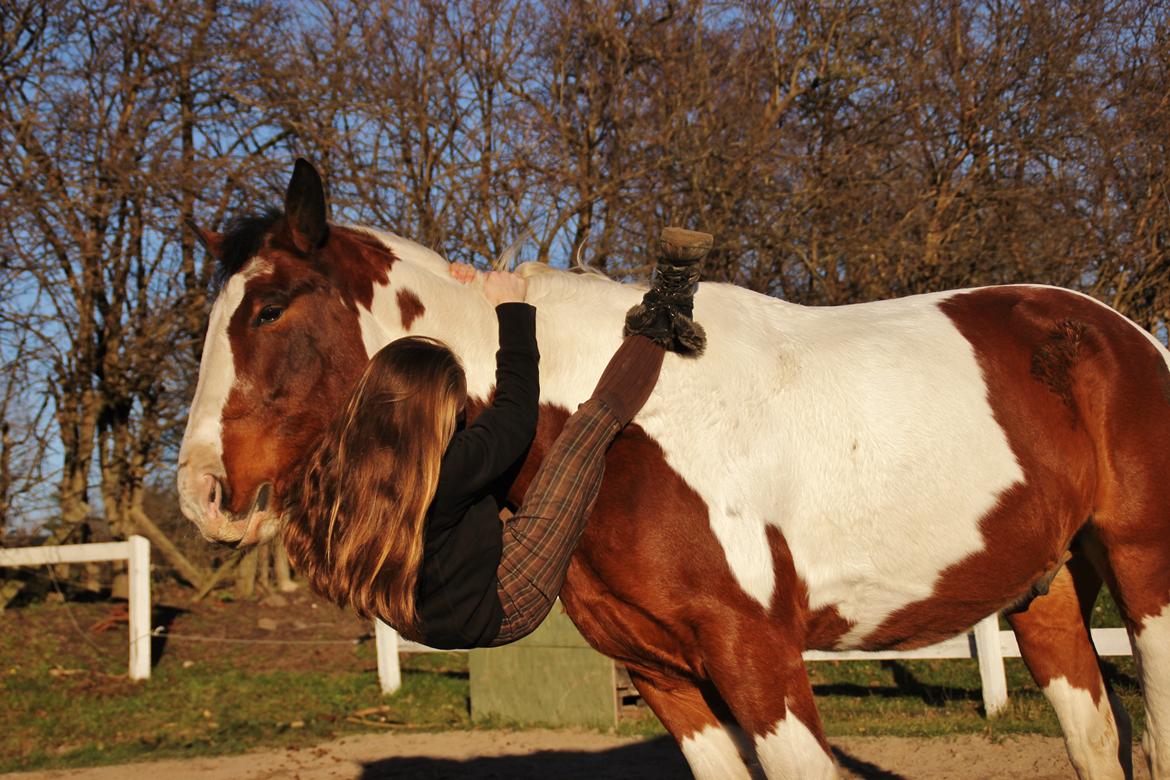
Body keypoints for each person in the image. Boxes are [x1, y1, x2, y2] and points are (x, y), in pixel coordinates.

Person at [282, 239, 706, 649]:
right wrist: (513, 309)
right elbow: (516, 415)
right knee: (585, 434)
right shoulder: (446, 469)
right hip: (499, 605)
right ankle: (668, 307)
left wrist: (463, 294)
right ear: (431, 409)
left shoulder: (344, 455)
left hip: (414, 613)